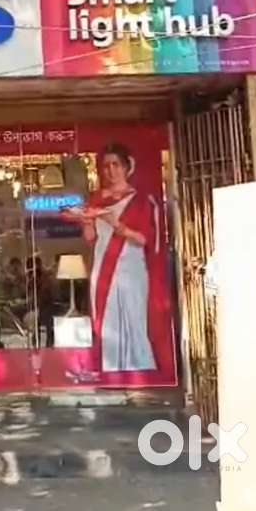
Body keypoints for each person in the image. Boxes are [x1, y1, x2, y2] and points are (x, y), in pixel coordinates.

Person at [63, 143, 159, 373]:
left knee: (133, 319)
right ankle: (110, 370)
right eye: (106, 166)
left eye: (116, 164)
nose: (111, 171)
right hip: (102, 268)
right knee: (106, 322)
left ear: (127, 167)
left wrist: (115, 223)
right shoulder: (96, 199)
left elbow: (143, 239)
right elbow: (91, 238)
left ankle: (139, 371)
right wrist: (86, 222)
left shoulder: (141, 200)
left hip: (130, 268)